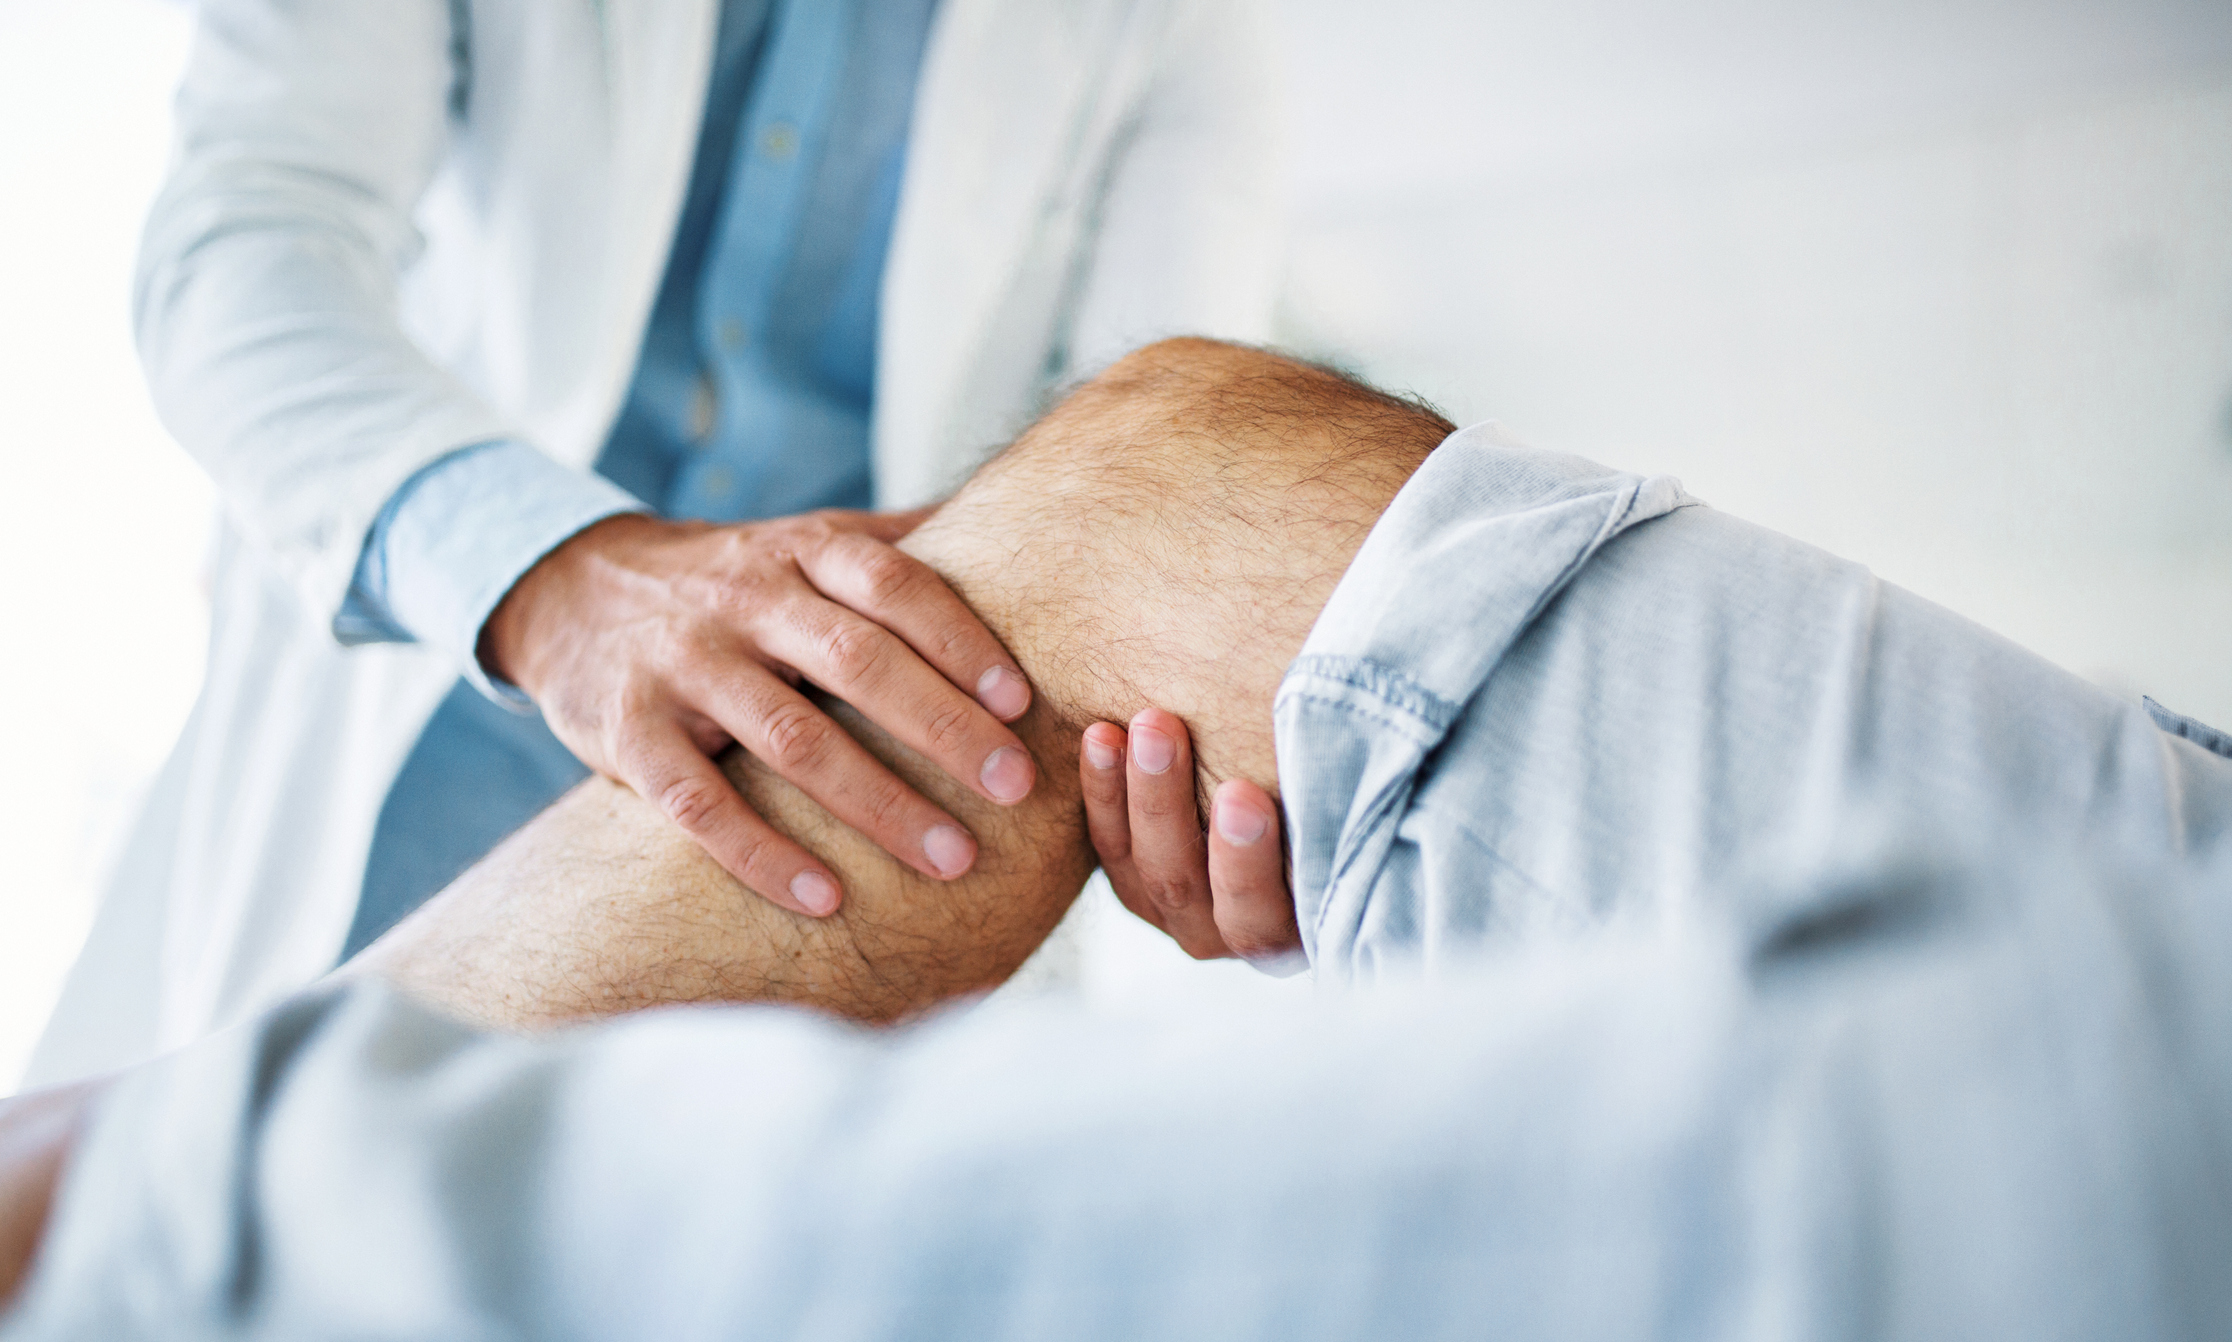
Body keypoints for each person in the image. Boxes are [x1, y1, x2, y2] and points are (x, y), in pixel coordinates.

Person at [4, 339, 2232, 1336]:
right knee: (1136, 503)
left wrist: (1256, 820)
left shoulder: (1159, 41)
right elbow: (243, 261)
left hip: (832, 708)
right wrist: (555, 568)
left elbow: (1069, 490)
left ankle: (148, 1232)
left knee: (1134, 510)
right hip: (493, 651)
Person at [26, 0, 1286, 1087]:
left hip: (855, 820)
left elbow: (1151, 447)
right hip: (422, 703)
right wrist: (549, 571)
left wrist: (1196, 767)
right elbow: (244, 242)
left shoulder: (1184, 29)